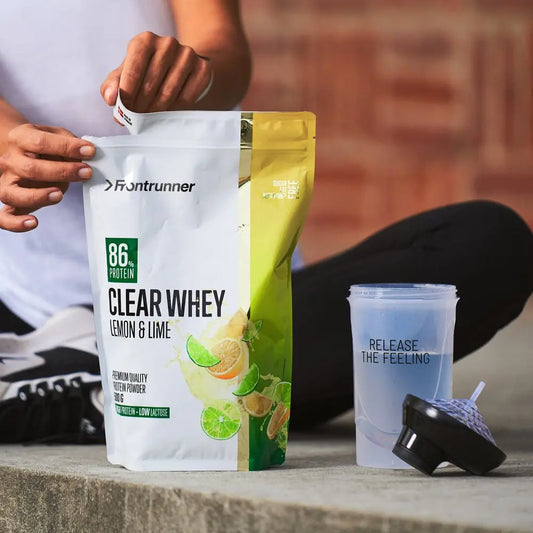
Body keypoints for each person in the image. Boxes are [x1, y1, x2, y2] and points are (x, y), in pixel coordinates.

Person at [1, 2, 532, 443]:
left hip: (228, 317)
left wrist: (196, 75)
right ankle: (124, 388)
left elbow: (222, 48)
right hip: (23, 310)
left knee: (489, 244)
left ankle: (109, 386)